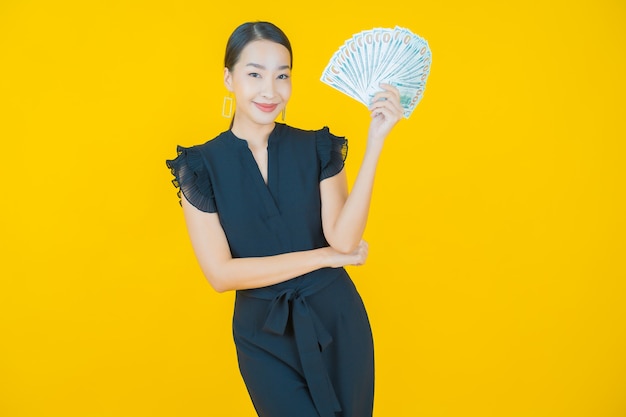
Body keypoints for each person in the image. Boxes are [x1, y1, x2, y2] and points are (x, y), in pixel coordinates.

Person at [166, 21, 403, 417]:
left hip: (337, 320)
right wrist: (322, 258)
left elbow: (343, 241)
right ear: (229, 78)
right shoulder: (200, 166)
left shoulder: (318, 146)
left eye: (283, 76)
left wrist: (376, 141)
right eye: (254, 74)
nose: (269, 90)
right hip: (264, 335)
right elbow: (221, 275)